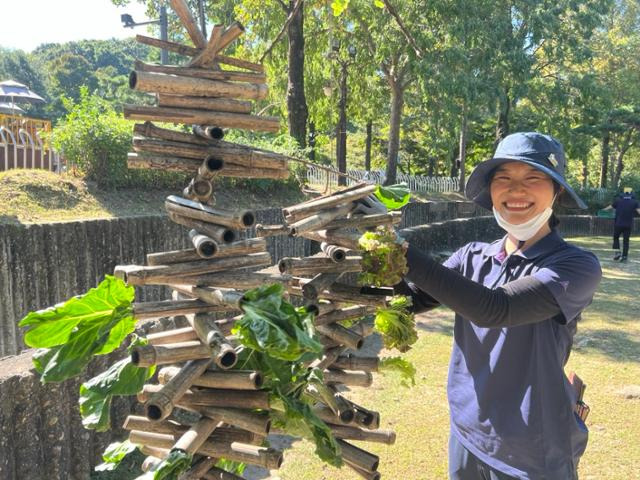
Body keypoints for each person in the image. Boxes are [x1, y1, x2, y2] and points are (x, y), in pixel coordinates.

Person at [357, 132, 602, 479]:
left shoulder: (574, 266)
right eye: (503, 178)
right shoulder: (472, 256)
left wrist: (397, 245)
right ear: (490, 192)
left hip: (533, 450)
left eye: (533, 178)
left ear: (557, 191)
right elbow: (409, 301)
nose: (516, 190)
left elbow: (494, 309)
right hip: (468, 432)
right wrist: (361, 254)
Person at [603, 187, 640, 262]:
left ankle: (617, 252)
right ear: (631, 193)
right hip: (628, 225)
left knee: (616, 237)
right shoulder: (635, 202)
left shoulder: (618, 200)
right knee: (626, 241)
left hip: (618, 224)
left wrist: (601, 210)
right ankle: (624, 257)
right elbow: (639, 211)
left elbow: (609, 207)